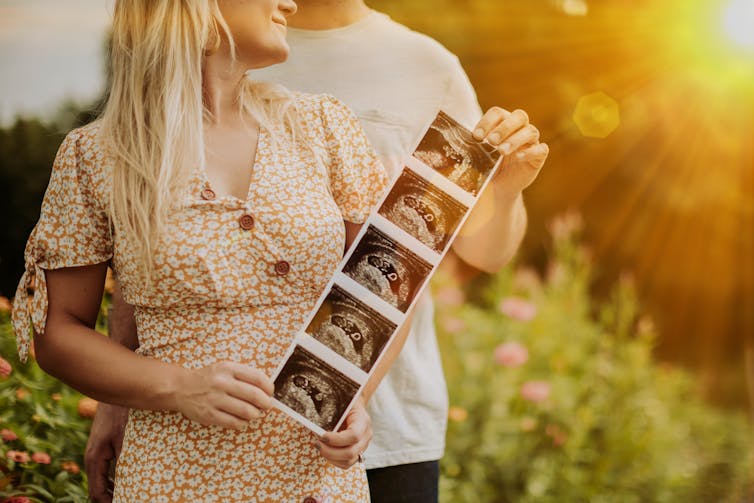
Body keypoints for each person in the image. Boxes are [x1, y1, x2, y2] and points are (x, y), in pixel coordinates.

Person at [85, 2, 550, 502]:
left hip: (389, 426)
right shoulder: (228, 44)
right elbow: (157, 250)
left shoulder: (428, 66)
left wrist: (503, 193)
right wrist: (119, 399)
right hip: (207, 436)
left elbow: (487, 252)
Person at [10, 0, 409, 501]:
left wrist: (356, 395)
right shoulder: (96, 156)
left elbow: (392, 283)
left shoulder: (323, 126)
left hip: (316, 479)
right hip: (173, 476)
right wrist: (179, 387)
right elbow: (58, 331)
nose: (289, 2)